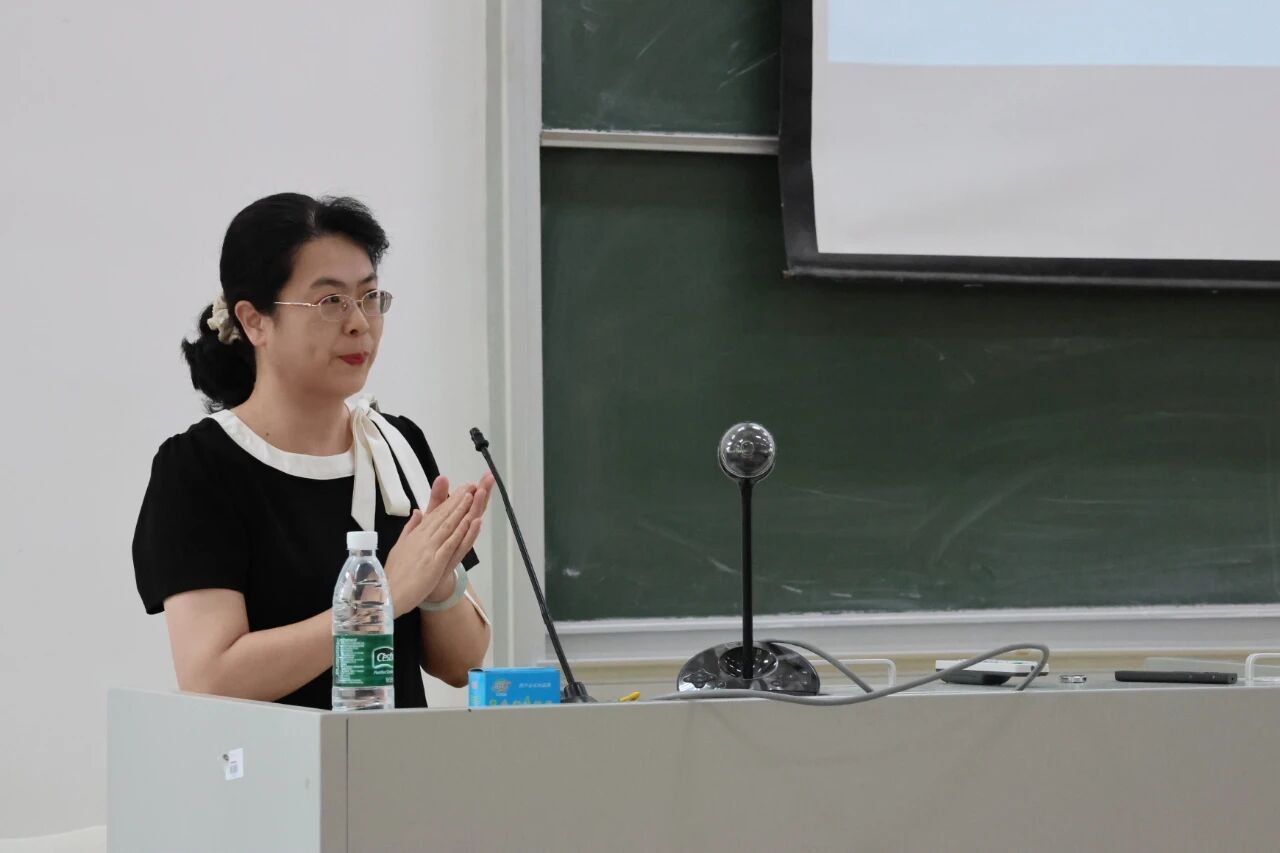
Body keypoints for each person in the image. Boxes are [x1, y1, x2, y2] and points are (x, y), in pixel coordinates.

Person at [132, 193, 493, 709]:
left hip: (392, 757)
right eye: (330, 302)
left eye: (370, 297)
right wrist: (381, 600)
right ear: (255, 321)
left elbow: (462, 665)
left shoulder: (396, 446)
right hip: (267, 760)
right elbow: (211, 676)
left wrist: (436, 581)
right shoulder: (200, 467)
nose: (359, 323)